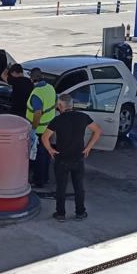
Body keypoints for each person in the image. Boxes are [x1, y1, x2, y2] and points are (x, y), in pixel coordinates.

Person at [41, 94, 102, 222]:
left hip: (62, 158)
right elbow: (97, 131)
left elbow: (44, 137)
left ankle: (60, 214)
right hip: (78, 158)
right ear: (72, 105)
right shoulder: (83, 117)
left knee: (61, 188)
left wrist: (50, 150)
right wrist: (89, 147)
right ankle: (80, 212)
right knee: (79, 187)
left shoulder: (57, 120)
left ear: (61, 106)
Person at [26, 67, 56, 188]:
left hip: (39, 130)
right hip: (49, 128)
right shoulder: (50, 88)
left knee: (39, 156)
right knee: (46, 154)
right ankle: (45, 178)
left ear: (31, 78)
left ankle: (39, 181)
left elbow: (37, 113)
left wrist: (33, 129)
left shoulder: (36, 94)